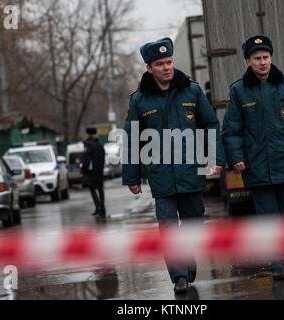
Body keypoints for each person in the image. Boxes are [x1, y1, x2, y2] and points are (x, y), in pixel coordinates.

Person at [122, 37, 226, 294]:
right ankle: (178, 275)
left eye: (169, 61)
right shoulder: (139, 100)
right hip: (161, 177)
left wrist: (215, 158)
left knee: (193, 223)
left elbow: (210, 125)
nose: (167, 67)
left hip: (190, 171)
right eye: (160, 63)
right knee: (168, 228)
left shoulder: (191, 91)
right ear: (149, 68)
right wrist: (132, 177)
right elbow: (132, 137)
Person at [222, 34, 284, 279]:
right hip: (257, 168)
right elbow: (232, 129)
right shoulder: (239, 91)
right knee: (268, 218)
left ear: (271, 58)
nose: (262, 62)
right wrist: (235, 157)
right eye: (257, 58)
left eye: (265, 57)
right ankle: (279, 264)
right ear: (248, 61)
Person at [82, 127, 106, 217]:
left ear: (88, 134)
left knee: (92, 189)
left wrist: (84, 170)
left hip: (91, 171)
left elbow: (86, 159)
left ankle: (98, 207)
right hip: (99, 170)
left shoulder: (88, 145)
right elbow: (103, 158)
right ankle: (102, 208)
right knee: (100, 189)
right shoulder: (100, 145)